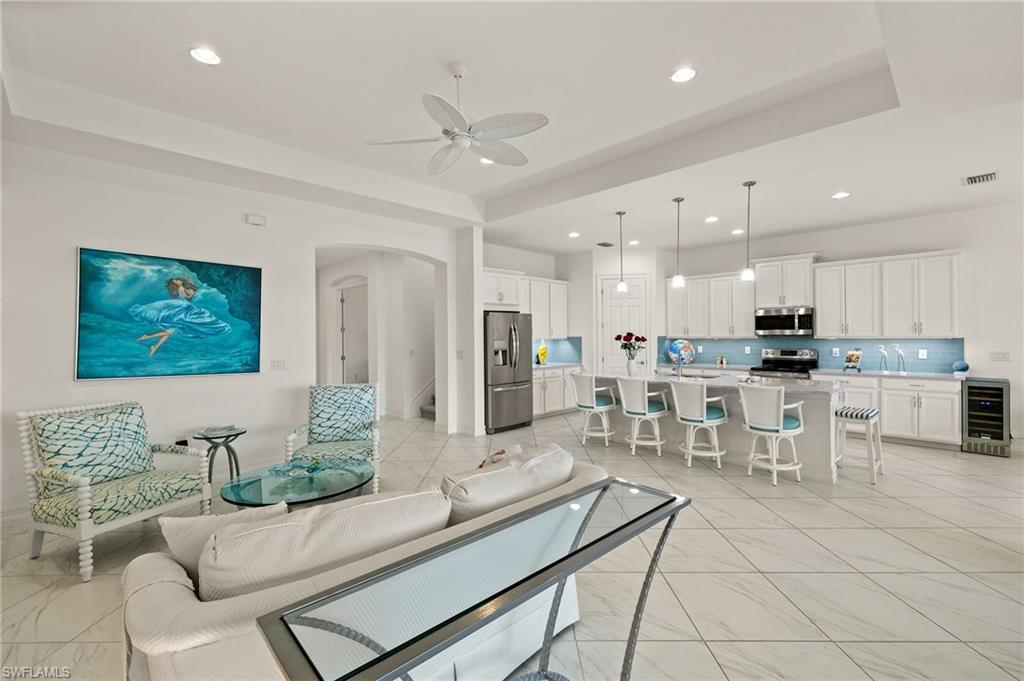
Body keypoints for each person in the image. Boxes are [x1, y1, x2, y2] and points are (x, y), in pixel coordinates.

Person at [131, 277, 231, 357]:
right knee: (172, 330)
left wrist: (188, 284)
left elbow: (187, 296)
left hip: (183, 307)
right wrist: (186, 287)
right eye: (177, 281)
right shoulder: (183, 288)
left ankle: (154, 345)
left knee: (171, 330)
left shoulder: (184, 288)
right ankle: (149, 338)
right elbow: (186, 297)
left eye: (178, 281)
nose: (178, 282)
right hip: (182, 308)